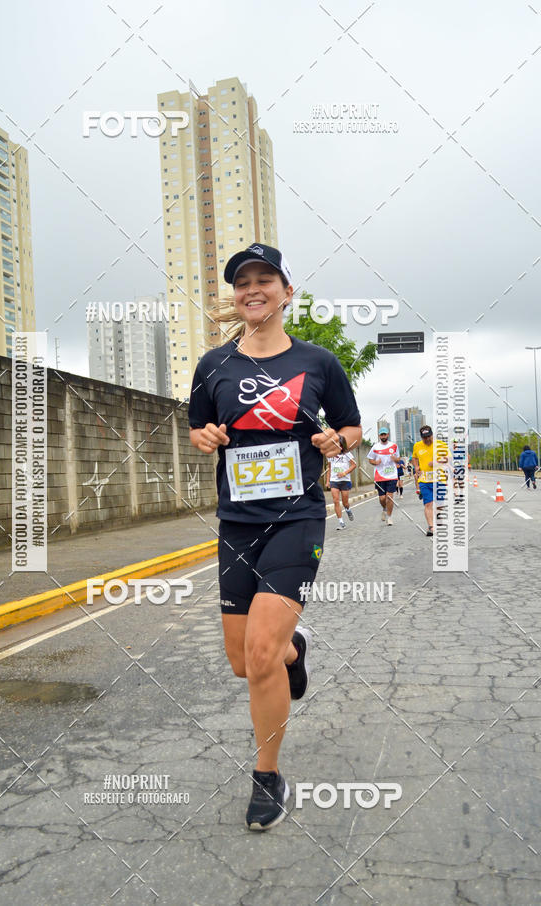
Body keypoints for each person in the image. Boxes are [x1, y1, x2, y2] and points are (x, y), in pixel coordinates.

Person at [188, 243, 362, 831]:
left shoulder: (318, 362)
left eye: (266, 279)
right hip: (237, 524)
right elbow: (196, 429)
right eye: (243, 282)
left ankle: (267, 776)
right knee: (245, 662)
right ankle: (295, 650)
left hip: (297, 518)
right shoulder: (213, 365)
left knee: (261, 654)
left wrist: (337, 442)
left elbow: (350, 426)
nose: (253, 289)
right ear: (236, 296)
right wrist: (205, 439)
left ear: (287, 292)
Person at [411, 425, 449, 536]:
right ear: (421, 437)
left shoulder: (441, 445)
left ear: (432, 435)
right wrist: (416, 466)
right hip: (424, 480)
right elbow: (414, 457)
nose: (427, 439)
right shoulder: (417, 446)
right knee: (428, 504)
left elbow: (448, 459)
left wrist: (437, 462)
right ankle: (431, 527)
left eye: (429, 436)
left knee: (439, 503)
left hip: (439, 479)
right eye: (424, 437)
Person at [367, 427, 401, 526]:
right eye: (381, 435)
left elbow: (398, 459)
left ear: (388, 435)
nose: (383, 436)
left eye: (385, 434)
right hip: (379, 475)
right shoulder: (375, 447)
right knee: (382, 498)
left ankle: (389, 517)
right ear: (379, 436)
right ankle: (384, 509)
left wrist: (395, 459)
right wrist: (375, 462)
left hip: (391, 475)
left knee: (389, 497)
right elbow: (370, 459)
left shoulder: (394, 446)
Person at [325, 443, 357, 528]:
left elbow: (354, 465)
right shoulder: (330, 454)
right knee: (336, 500)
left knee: (345, 502)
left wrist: (344, 473)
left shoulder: (347, 453)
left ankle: (348, 509)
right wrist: (328, 481)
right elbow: (329, 468)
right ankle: (341, 522)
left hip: (345, 480)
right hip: (334, 480)